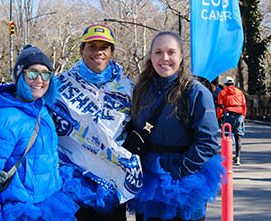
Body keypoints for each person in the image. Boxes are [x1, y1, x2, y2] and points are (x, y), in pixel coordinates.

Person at [0, 45, 79, 221]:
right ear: (20, 75)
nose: (39, 80)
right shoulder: (2, 119)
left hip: (49, 206)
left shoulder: (41, 109)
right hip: (21, 211)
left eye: (46, 74)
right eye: (32, 73)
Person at [128, 32, 225, 221]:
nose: (164, 58)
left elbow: (207, 142)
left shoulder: (196, 92)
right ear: (151, 57)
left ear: (181, 57)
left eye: (171, 52)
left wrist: (178, 171)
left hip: (183, 182)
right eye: (158, 52)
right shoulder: (140, 90)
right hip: (148, 182)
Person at [52, 24, 142, 221]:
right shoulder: (60, 83)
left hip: (112, 181)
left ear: (112, 53)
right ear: (81, 50)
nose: (98, 52)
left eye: (104, 47)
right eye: (92, 46)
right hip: (71, 181)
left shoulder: (127, 87)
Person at [217, 76, 247, 166]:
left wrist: (219, 117)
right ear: (233, 84)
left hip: (229, 114)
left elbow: (220, 106)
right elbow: (244, 105)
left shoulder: (222, 92)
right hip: (239, 115)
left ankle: (228, 156)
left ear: (225, 84)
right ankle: (237, 157)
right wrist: (243, 116)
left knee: (227, 136)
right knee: (238, 137)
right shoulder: (240, 92)